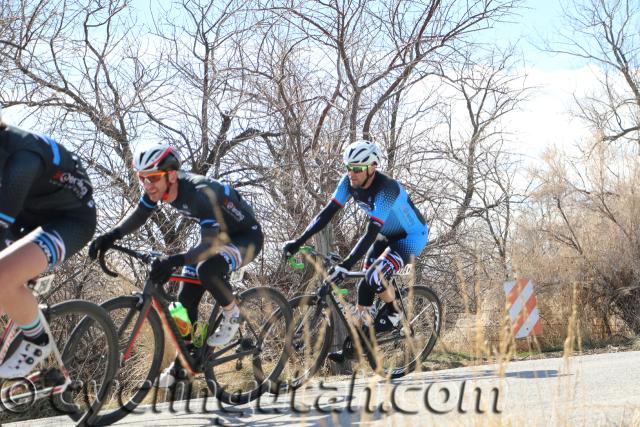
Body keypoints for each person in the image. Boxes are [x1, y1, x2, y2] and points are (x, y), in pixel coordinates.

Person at [88, 142, 263, 387]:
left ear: (171, 175)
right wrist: (111, 236)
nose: (148, 185)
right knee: (183, 303)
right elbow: (140, 215)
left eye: (153, 178)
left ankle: (233, 314)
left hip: (246, 238)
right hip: (219, 238)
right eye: (142, 178)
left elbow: (209, 246)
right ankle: (185, 363)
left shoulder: (201, 192)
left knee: (207, 269)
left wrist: (176, 260)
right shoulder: (159, 189)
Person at [283, 140, 428, 362]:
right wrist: (298, 240)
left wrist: (346, 264)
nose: (352, 173)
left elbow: (371, 231)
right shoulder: (348, 182)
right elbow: (327, 213)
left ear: (372, 167)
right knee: (364, 285)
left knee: (374, 274)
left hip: (410, 237)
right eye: (349, 167)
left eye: (358, 169)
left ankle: (394, 313)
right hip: (385, 236)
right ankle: (358, 343)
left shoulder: (386, 188)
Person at [0, 107, 97, 378]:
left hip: (70, 221)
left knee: (3, 276)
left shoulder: (23, 157)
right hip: (27, 216)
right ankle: (48, 369)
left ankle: (37, 343)